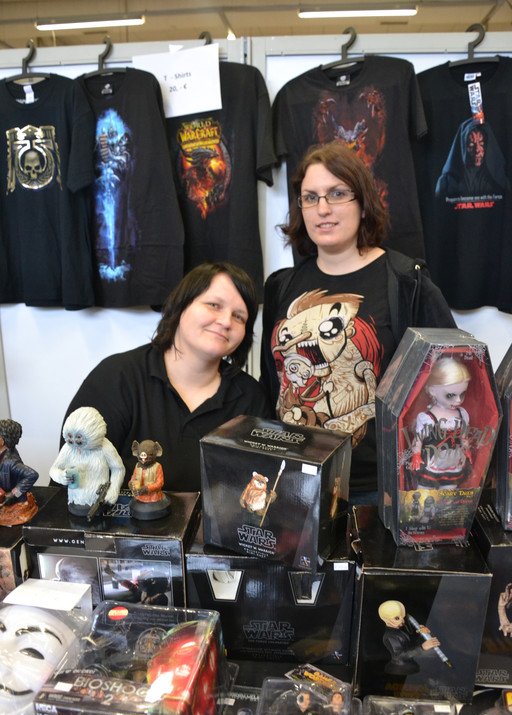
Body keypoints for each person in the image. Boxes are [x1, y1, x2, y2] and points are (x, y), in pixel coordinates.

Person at [260, 141, 455, 503]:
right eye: (310, 197)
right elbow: (270, 382)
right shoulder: (281, 286)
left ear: (363, 204)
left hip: (380, 490)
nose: (323, 208)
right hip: (297, 482)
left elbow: (452, 380)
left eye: (337, 194)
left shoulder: (406, 282)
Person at [61, 262, 271, 492]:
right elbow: (73, 481)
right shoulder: (115, 378)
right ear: (180, 305)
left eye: (239, 316)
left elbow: (259, 491)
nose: (226, 321)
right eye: (214, 305)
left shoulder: (252, 398)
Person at [409, 357, 472, 490]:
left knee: (449, 488)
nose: (458, 400)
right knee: (425, 488)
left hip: (453, 461)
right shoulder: (428, 418)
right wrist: (416, 455)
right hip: (433, 460)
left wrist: (467, 451)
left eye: (462, 394)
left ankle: (445, 503)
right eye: (451, 395)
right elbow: (418, 440)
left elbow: (463, 436)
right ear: (433, 390)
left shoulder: (461, 414)